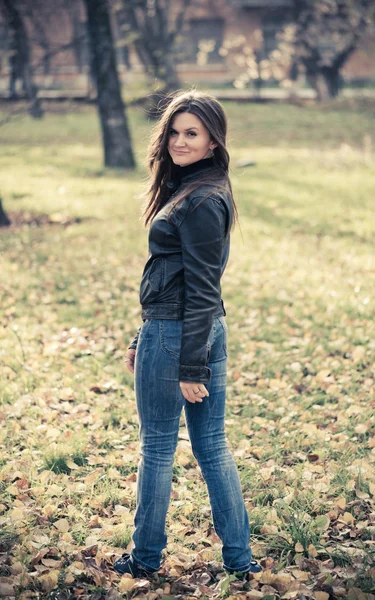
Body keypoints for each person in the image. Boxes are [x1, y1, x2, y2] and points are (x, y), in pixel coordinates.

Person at [113, 90, 262, 579]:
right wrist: (143, 336)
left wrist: (188, 365)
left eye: (191, 133)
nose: (179, 141)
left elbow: (200, 288)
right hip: (194, 329)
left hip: (182, 334)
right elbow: (179, 279)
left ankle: (145, 559)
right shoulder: (199, 189)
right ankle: (240, 562)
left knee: (158, 447)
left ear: (213, 142)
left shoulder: (200, 200)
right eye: (174, 132)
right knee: (211, 445)